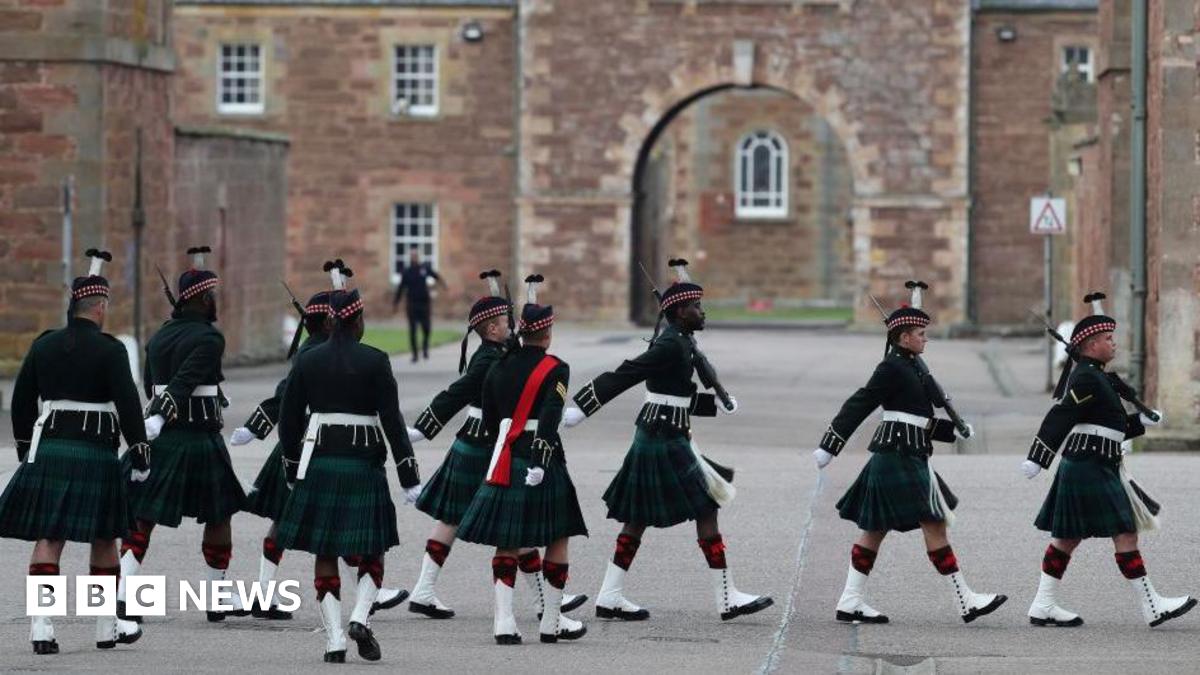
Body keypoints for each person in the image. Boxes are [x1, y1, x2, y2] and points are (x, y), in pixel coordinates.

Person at [567, 259, 771, 623]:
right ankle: (727, 599)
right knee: (705, 506)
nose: (701, 311)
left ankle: (610, 595)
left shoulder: (681, 341)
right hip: (663, 434)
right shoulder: (670, 345)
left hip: (668, 430)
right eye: (695, 307)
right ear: (678, 312)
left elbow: (674, 393)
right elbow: (628, 373)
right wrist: (585, 406)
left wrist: (718, 402)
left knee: (639, 517)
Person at [811, 280, 1004, 625]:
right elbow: (861, 403)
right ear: (902, 338)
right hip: (897, 454)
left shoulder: (912, 365)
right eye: (919, 333)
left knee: (876, 529)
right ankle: (966, 601)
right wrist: (831, 444)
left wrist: (955, 430)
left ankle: (851, 600)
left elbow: (920, 420)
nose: (925, 337)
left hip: (908, 452)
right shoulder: (891, 368)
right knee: (933, 523)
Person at [406, 270, 584, 620]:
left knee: (456, 519)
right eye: (504, 322)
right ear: (490, 329)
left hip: (481, 442)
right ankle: (545, 603)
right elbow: (458, 392)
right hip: (486, 444)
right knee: (515, 522)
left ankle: (425, 589)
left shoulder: (500, 351)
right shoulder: (489, 358)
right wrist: (426, 426)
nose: (510, 326)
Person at [227, 274, 406, 619]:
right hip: (311, 447)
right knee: (332, 527)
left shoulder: (316, 350)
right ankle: (364, 592)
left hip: (309, 445)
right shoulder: (314, 352)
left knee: (295, 524)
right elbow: (284, 398)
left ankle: (268, 592)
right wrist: (256, 425)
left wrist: (256, 427)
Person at [276, 262, 424, 663]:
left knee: (324, 551)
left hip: (319, 464)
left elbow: (288, 422)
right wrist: (408, 474)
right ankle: (360, 615)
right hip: (363, 465)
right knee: (372, 550)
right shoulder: (376, 360)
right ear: (355, 319)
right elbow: (392, 422)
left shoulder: (307, 361)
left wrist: (292, 467)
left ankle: (335, 640)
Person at [0, 249, 145, 653]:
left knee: (50, 535)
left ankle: (42, 627)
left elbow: (22, 398)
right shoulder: (111, 350)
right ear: (99, 308)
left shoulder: (44, 346)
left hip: (50, 449)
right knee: (103, 537)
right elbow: (129, 404)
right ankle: (103, 626)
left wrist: (28, 446)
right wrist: (141, 449)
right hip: (96, 452)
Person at [1021, 292, 1194, 628]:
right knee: (1124, 532)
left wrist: (1139, 422)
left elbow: (1107, 427)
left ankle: (1043, 604)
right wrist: (1038, 458)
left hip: (1097, 462)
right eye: (1108, 338)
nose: (1114, 343)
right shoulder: (1086, 377)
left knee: (1067, 538)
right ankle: (1152, 605)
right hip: (1089, 465)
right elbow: (1062, 416)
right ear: (1090, 345)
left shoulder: (1098, 376)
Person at [119, 246, 249, 624]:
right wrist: (160, 416)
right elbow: (184, 382)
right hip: (197, 437)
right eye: (212, 297)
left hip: (163, 439)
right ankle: (215, 597)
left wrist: (158, 416)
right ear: (203, 299)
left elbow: (150, 385)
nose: (215, 303)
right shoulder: (210, 339)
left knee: (143, 515)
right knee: (220, 515)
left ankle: (125, 592)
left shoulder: (158, 338)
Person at [456, 274, 588, 645]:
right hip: (539, 455)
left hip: (507, 451)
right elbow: (549, 417)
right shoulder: (556, 368)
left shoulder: (498, 365)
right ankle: (550, 621)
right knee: (558, 535)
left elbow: (493, 412)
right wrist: (542, 460)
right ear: (546, 334)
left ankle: (503, 621)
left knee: (507, 538)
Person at [392, 248, 446, 362]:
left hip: (424, 303)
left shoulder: (424, 268)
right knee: (413, 330)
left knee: (426, 328)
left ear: (418, 257)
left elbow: (436, 276)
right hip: (412, 304)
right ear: (410, 258)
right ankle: (415, 354)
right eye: (412, 256)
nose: (414, 257)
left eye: (416, 255)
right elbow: (401, 289)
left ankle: (425, 348)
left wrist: (443, 285)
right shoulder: (406, 272)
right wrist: (396, 303)